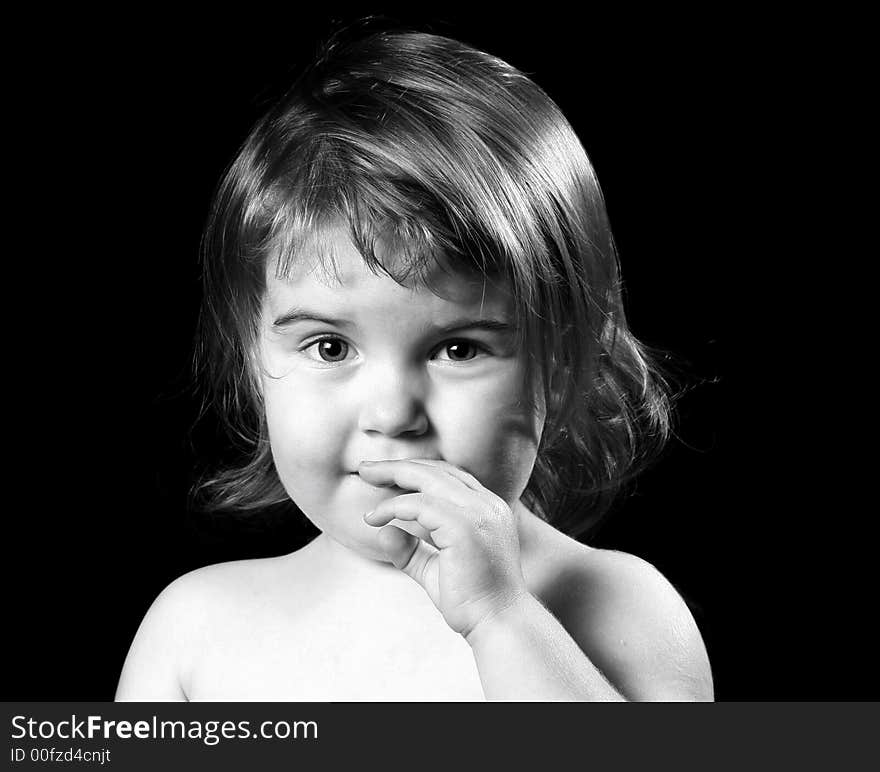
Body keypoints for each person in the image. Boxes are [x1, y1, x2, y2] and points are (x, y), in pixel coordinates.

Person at [116, 26, 713, 701]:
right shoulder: (196, 629)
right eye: (330, 347)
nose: (393, 414)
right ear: (254, 366)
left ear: (562, 364)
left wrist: (500, 616)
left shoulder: (620, 605)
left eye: (458, 348)